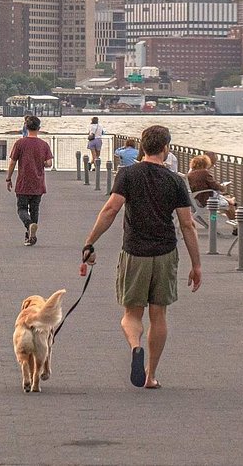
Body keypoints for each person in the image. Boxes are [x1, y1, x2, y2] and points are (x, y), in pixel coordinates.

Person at [81, 125, 202, 389]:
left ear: (142, 147)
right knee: (159, 315)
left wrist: (90, 242)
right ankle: (151, 375)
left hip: (134, 252)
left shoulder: (128, 174)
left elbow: (111, 209)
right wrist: (196, 264)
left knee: (131, 315)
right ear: (166, 148)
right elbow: (187, 224)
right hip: (165, 253)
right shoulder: (175, 181)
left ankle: (135, 346)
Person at [5, 114, 53, 246]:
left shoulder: (20, 143)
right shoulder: (44, 145)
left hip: (23, 182)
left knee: (21, 208)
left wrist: (8, 178)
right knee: (35, 209)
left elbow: (12, 162)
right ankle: (31, 236)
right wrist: (41, 163)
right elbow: (49, 164)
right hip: (38, 183)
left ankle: (29, 224)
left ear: (26, 127)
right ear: (39, 128)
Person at [187, 154, 236, 219]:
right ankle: (235, 226)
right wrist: (222, 187)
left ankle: (229, 202)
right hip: (207, 201)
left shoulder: (190, 175)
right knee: (231, 205)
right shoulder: (204, 173)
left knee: (228, 200)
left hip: (196, 200)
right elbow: (214, 185)